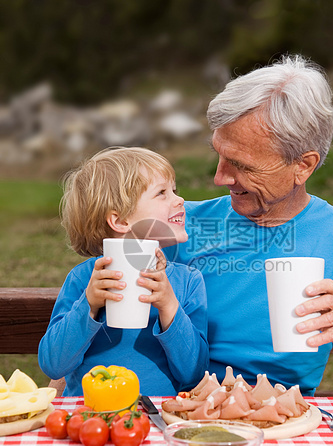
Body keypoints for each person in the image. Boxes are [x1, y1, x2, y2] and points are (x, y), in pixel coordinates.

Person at [165, 55, 333, 398]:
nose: (219, 177)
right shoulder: (179, 223)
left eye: (242, 165)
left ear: (303, 166)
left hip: (280, 423)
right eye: (219, 154)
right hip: (176, 413)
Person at [38, 147, 209, 396]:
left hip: (159, 418)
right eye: (162, 193)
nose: (179, 200)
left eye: (175, 190)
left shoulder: (187, 281)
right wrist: (89, 305)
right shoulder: (84, 279)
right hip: (89, 415)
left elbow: (193, 373)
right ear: (120, 221)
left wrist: (169, 306)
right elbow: (54, 365)